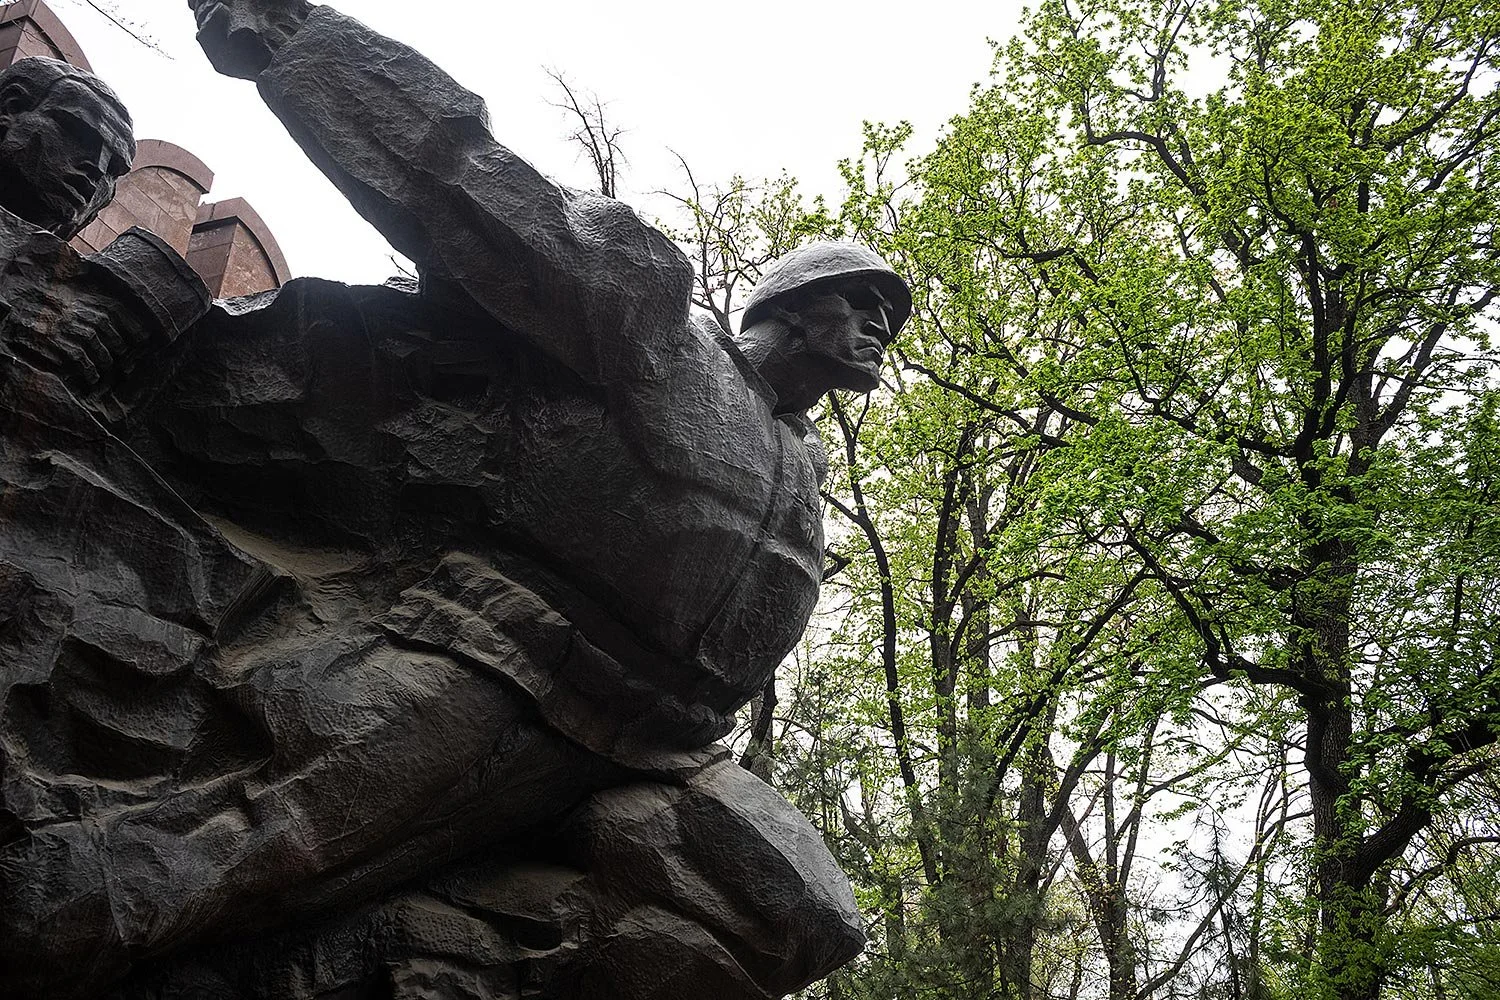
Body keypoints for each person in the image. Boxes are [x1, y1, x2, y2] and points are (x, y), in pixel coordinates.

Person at [0, 4, 909, 995]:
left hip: (660, 748)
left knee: (800, 913)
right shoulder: (658, 338)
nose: (877, 324)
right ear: (786, 303)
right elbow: (470, 184)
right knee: (238, 856)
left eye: (888, 317)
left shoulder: (803, 477)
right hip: (504, 667)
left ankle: (409, 956)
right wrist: (290, 37)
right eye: (858, 300)